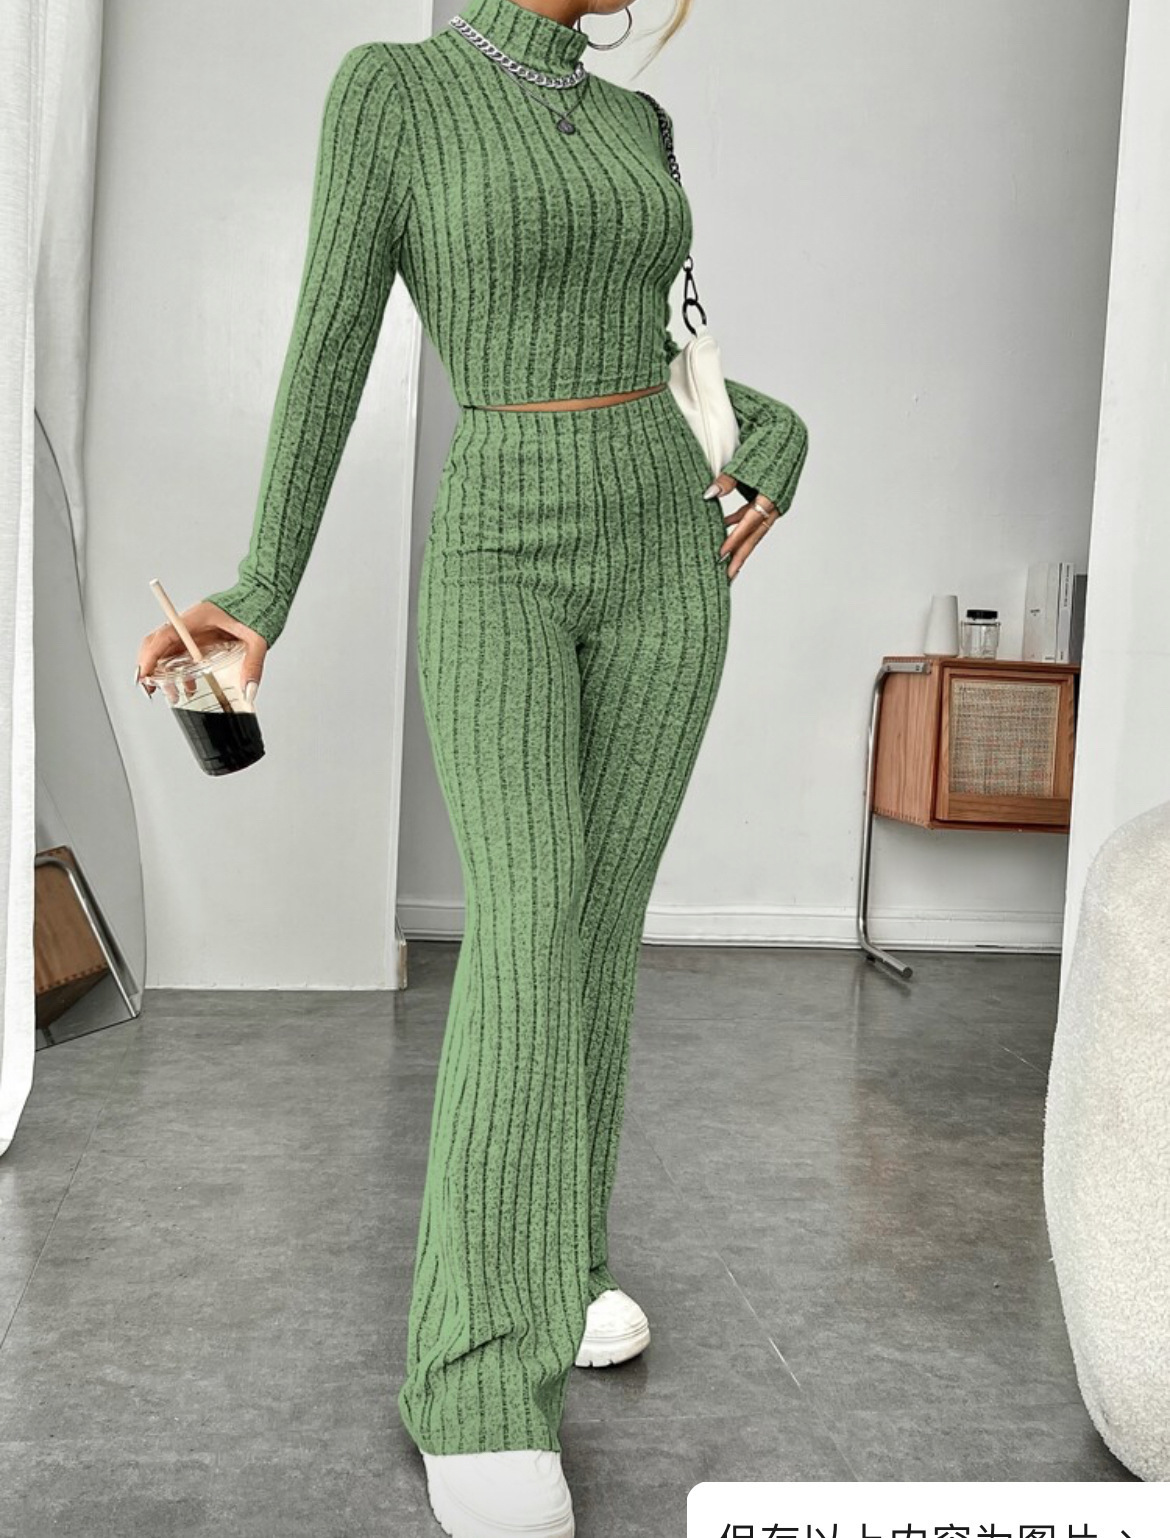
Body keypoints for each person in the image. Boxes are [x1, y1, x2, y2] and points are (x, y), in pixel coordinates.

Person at [135, 1, 808, 1532]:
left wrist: (773, 432)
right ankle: (478, 1381)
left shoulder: (636, 122)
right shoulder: (394, 91)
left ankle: (557, 1269)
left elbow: (669, 348)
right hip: (502, 546)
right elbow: (330, 339)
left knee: (593, 932)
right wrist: (263, 584)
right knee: (527, 922)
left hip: (664, 560)